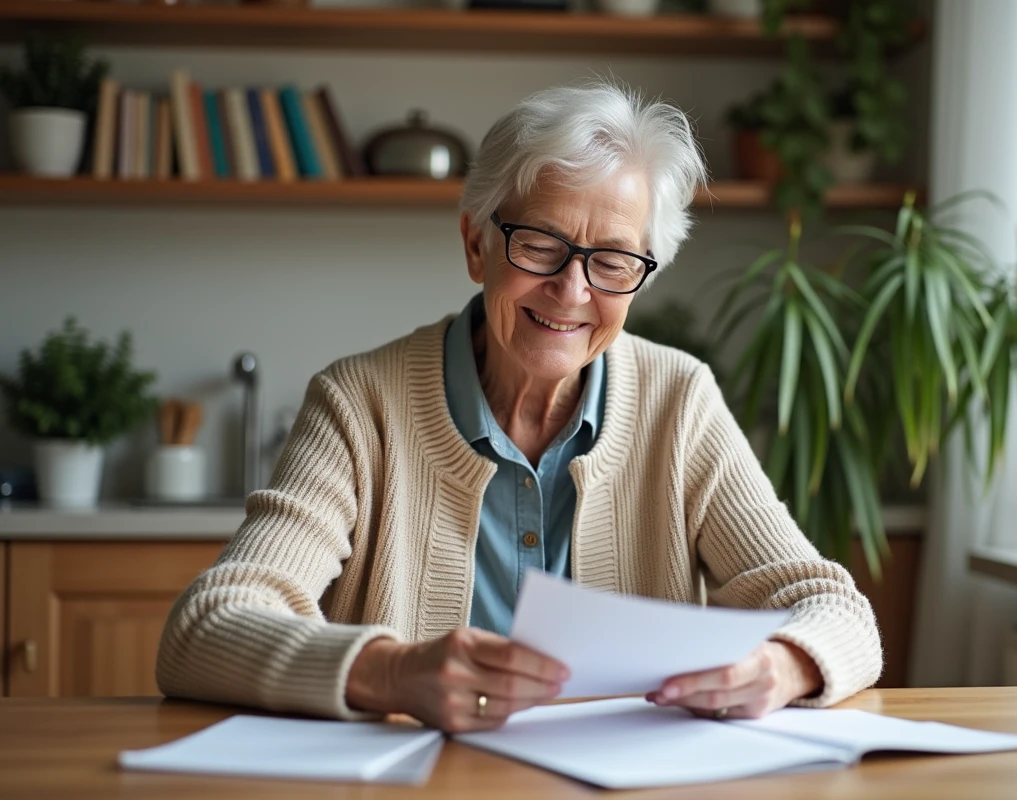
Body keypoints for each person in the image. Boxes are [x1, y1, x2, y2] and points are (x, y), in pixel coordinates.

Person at [157, 82, 882, 733]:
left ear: (640, 276)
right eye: (540, 244)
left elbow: (838, 612)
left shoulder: (679, 399)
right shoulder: (359, 404)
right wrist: (392, 672)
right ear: (477, 244)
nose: (571, 291)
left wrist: (781, 667)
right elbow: (205, 628)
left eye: (612, 261)